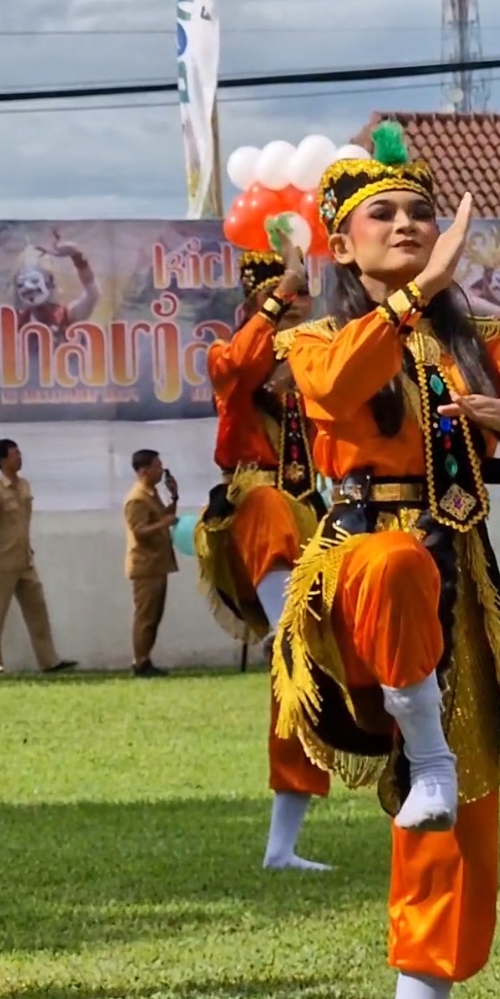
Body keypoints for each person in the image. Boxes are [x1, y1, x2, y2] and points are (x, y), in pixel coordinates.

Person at [272, 121, 500, 999]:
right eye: (386, 214)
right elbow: (333, 390)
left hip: (461, 590)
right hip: (354, 574)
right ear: (341, 242)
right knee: (394, 564)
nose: (409, 224)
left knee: (456, 834)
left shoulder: (476, 339)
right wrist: (417, 293)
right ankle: (431, 754)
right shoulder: (318, 334)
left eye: (421, 212)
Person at [197, 222, 332, 872]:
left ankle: (283, 846)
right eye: (287, 298)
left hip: (315, 514)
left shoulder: (314, 364)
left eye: (304, 297)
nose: (298, 308)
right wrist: (281, 291)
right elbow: (244, 366)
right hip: (257, 506)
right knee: (296, 647)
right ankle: (291, 627)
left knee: (323, 677)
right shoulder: (229, 358)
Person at [0, 439, 77, 675]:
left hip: (25, 561)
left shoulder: (24, 485)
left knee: (38, 611)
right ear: (3, 460)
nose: (20, 457)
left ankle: (49, 661)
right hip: (2, 563)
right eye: (15, 454)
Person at [123, 449, 178, 678]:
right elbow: (139, 531)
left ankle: (146, 658)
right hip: (145, 565)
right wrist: (164, 523)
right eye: (157, 467)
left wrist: (174, 498)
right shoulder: (136, 498)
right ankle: (140, 662)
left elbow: (162, 518)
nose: (160, 470)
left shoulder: (151, 493)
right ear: (144, 470)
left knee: (154, 616)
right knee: (145, 617)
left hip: (158, 562)